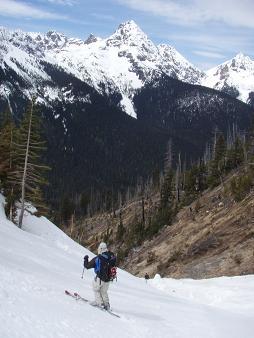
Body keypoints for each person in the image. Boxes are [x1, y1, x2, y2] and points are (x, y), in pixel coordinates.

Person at [83, 242, 116, 310]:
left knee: (96, 289)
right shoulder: (111, 256)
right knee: (104, 291)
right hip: (109, 278)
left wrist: (85, 259)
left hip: (100, 278)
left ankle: (99, 303)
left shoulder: (98, 258)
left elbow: (87, 266)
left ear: (100, 249)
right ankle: (106, 304)